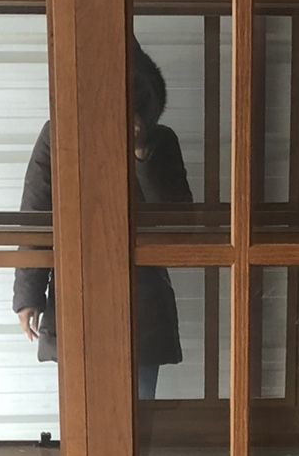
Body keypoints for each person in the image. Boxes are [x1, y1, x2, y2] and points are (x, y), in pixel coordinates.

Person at [13, 41, 188, 399]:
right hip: (75, 290)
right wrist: (28, 293)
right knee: (81, 413)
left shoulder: (160, 142)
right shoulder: (59, 134)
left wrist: (141, 153)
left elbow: (178, 223)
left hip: (141, 293)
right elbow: (36, 213)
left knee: (138, 409)